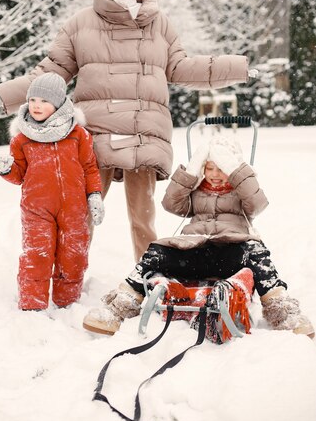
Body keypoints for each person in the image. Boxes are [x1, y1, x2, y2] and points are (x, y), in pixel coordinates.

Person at [0, 0, 255, 261]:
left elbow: (182, 68)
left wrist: (237, 68)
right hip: (96, 133)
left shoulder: (159, 22)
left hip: (144, 131)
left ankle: (149, 276)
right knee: (81, 214)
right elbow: (49, 73)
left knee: (143, 217)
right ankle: (70, 274)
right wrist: (3, 96)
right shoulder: (80, 24)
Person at [82, 135, 314, 338]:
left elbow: (258, 203)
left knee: (256, 250)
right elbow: (170, 203)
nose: (214, 175)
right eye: (209, 167)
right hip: (193, 253)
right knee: (156, 251)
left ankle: (282, 311)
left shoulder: (241, 194)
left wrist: (236, 170)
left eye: (221, 168)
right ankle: (118, 307)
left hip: (229, 256)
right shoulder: (195, 191)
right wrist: (191, 171)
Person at [0, 73, 104, 311]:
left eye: (44, 100)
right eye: (32, 100)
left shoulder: (78, 135)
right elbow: (19, 175)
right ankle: (33, 307)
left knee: (73, 256)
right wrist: (7, 169)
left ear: (59, 103)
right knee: (37, 254)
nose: (36, 106)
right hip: (36, 209)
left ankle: (68, 304)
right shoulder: (22, 138)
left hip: (74, 209)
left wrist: (94, 195)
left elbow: (90, 168)